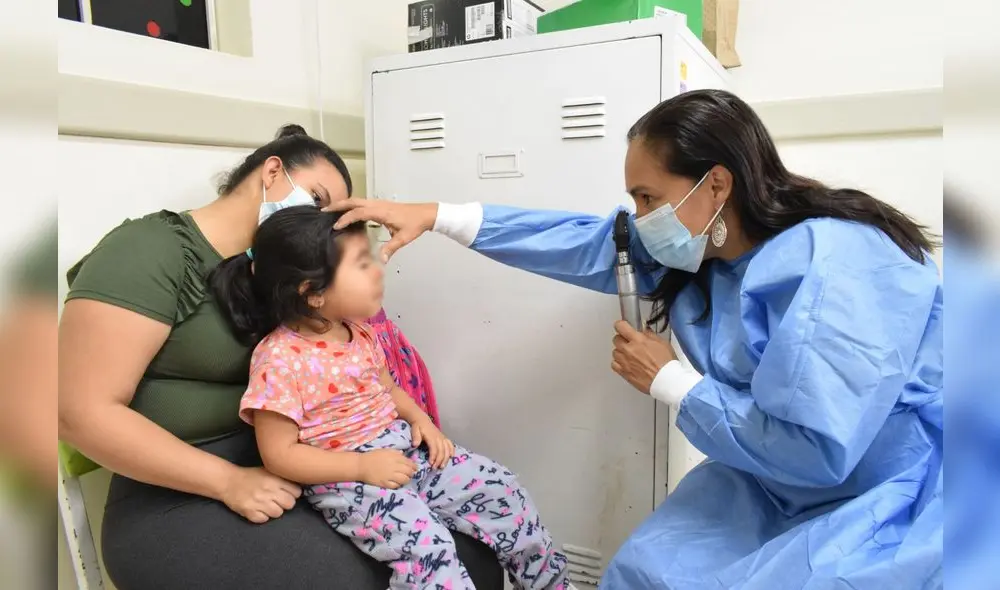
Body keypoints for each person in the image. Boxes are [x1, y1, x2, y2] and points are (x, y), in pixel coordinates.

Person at [326, 89, 944, 589]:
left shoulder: (839, 262)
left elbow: (818, 447)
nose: (640, 216)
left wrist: (673, 381)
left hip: (889, 491)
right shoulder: (706, 254)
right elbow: (588, 243)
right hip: (767, 479)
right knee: (644, 570)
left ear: (717, 186)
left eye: (649, 197)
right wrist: (438, 215)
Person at [57, 125, 504, 589]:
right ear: (272, 172)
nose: (318, 223)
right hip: (180, 493)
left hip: (307, 468)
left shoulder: (285, 276)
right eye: (315, 199)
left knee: (475, 553)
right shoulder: (149, 251)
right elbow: (79, 414)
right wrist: (229, 481)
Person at [208, 205, 571, 589]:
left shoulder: (361, 333)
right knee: (428, 549)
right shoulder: (279, 358)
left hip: (404, 452)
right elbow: (278, 455)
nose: (379, 268)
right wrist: (362, 469)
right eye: (362, 263)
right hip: (347, 480)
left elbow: (389, 388)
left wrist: (421, 420)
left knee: (502, 487)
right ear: (312, 292)